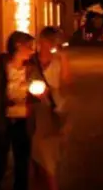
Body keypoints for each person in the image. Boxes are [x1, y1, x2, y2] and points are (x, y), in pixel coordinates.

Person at [0, 31, 42, 190]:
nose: (32, 50)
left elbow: (39, 90)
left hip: (23, 120)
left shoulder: (32, 67)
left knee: (22, 163)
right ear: (18, 46)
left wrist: (39, 93)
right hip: (1, 120)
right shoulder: (0, 64)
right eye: (29, 46)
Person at [31, 27, 72, 190]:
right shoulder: (32, 61)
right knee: (37, 158)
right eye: (48, 41)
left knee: (48, 159)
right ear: (41, 41)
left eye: (54, 42)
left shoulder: (58, 61)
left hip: (53, 111)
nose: (51, 45)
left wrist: (63, 58)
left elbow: (67, 82)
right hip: (35, 111)